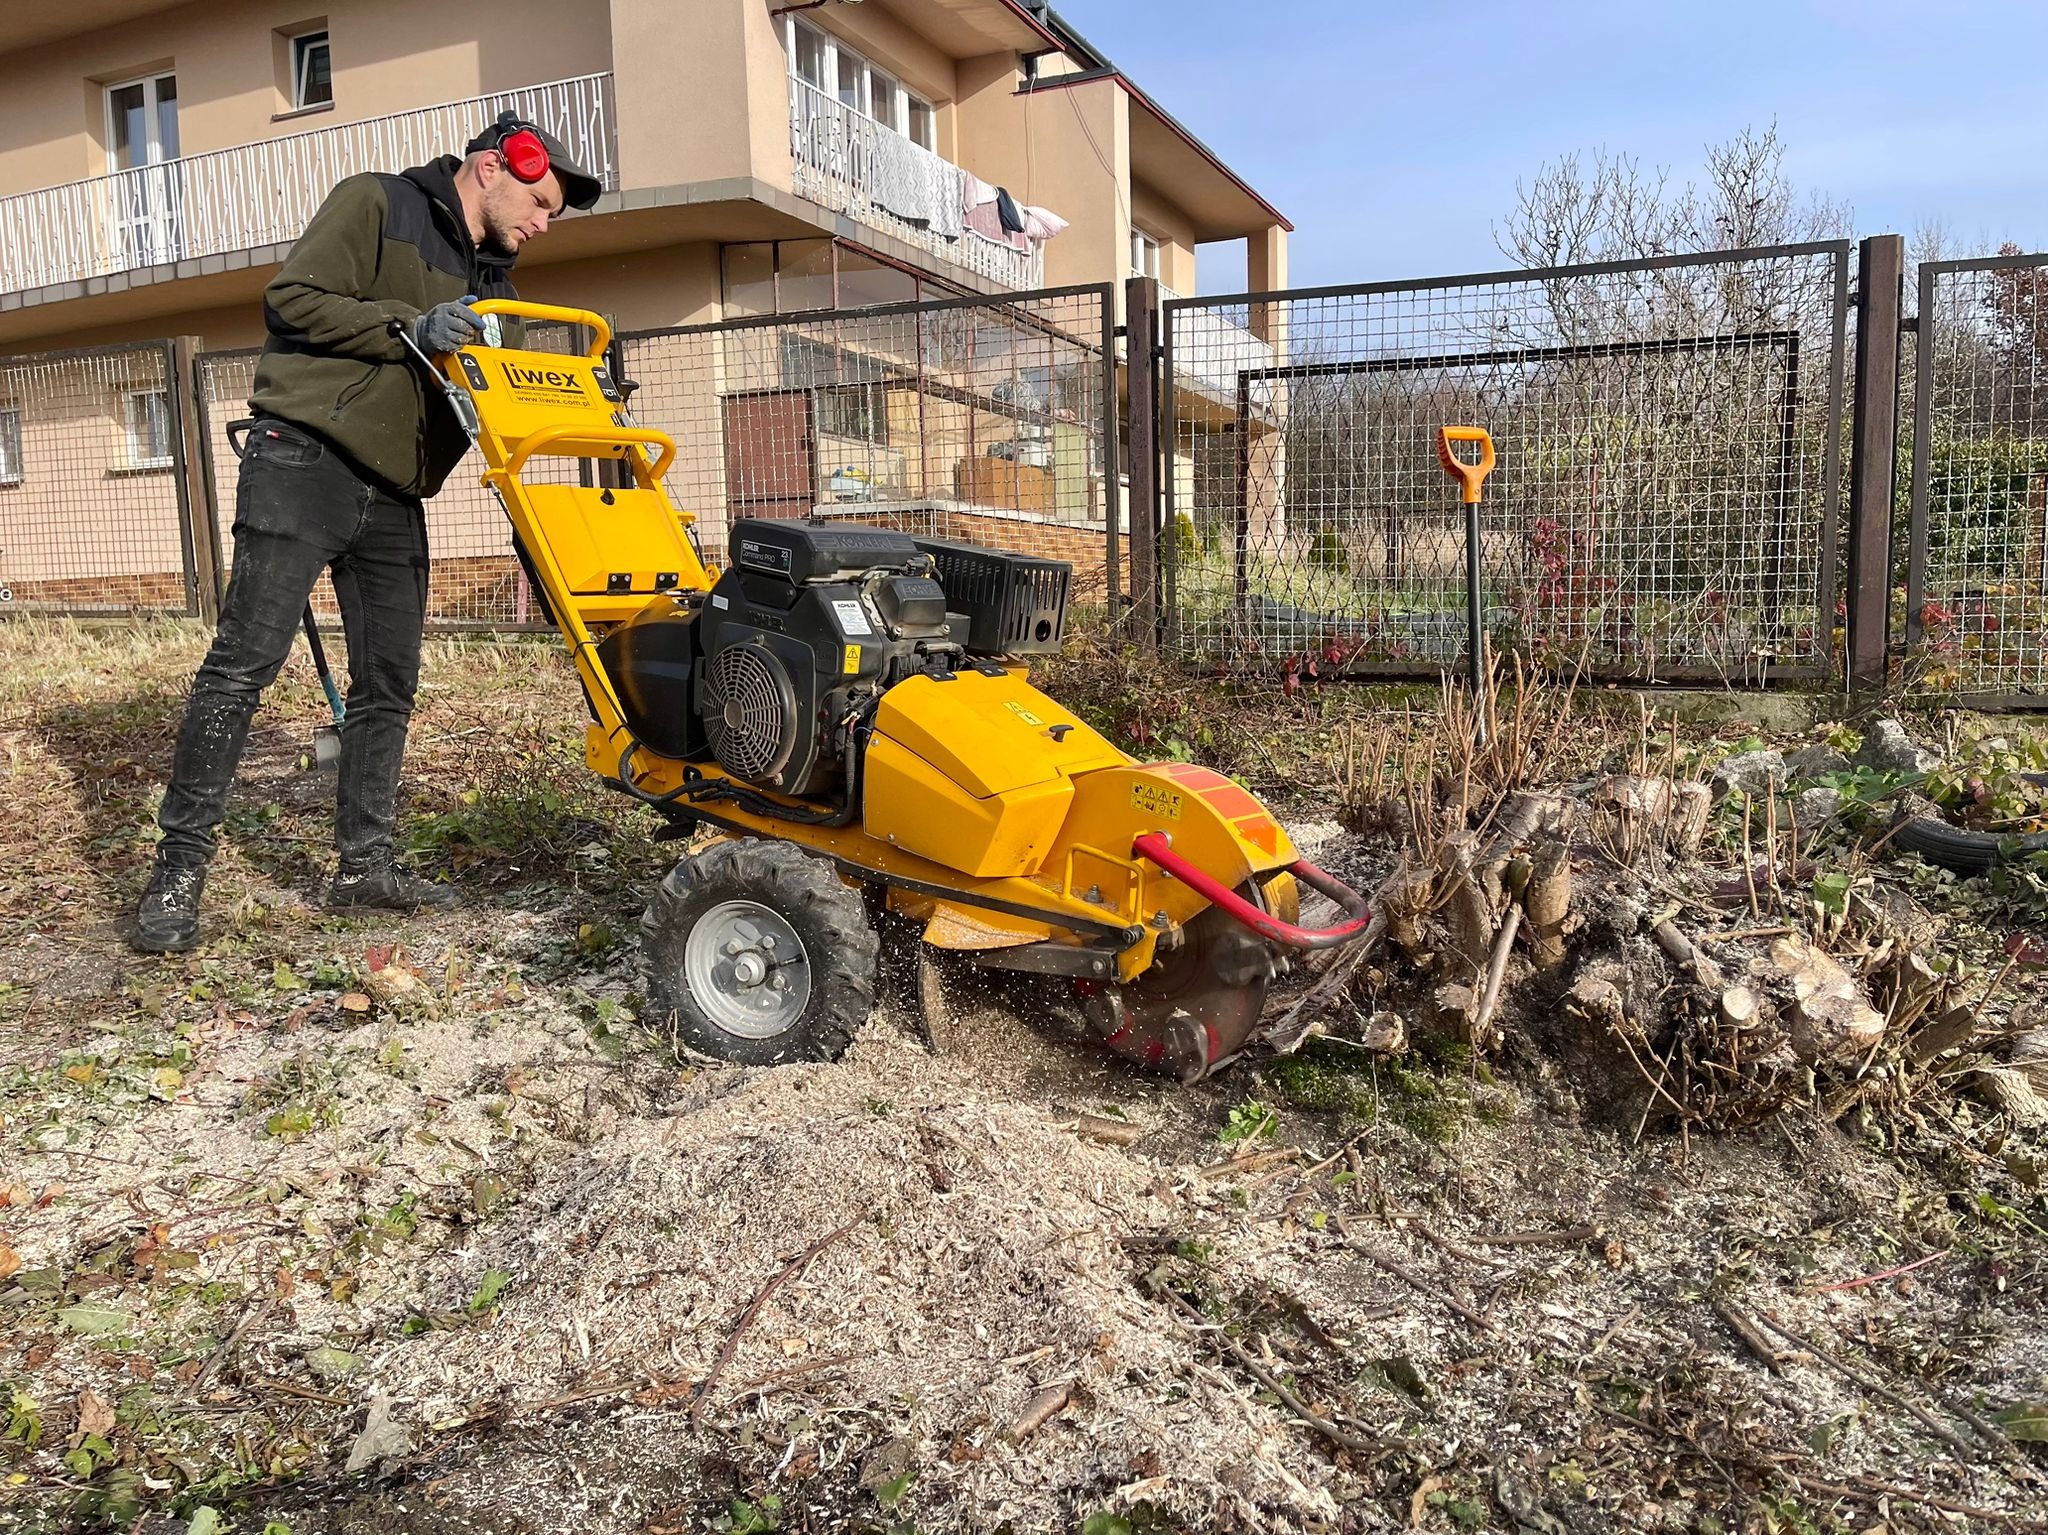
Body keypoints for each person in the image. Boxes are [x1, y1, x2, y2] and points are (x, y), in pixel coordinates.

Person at [131, 112, 603, 953]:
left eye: (552, 216)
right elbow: (292, 298)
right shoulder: (378, 204)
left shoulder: (499, 292)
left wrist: (577, 392)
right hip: (304, 460)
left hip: (394, 492)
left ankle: (365, 867)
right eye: (537, 201)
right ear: (492, 167)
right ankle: (177, 871)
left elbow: (498, 394)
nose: (541, 223)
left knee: (389, 682)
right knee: (244, 665)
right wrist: (407, 326)